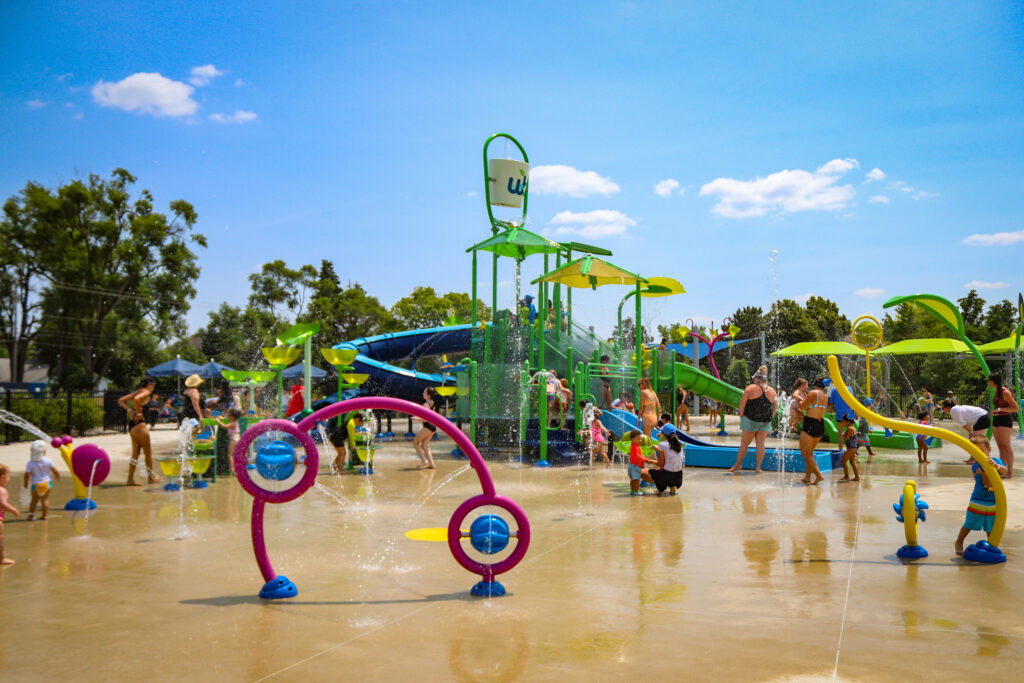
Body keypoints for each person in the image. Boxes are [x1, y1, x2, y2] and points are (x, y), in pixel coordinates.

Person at [955, 435, 1007, 556]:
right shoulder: (976, 465)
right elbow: (987, 482)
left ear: (989, 449)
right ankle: (959, 542)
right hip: (978, 500)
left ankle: (992, 547)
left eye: (981, 450)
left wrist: (997, 466)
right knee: (970, 523)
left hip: (994, 500)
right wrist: (987, 472)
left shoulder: (996, 461)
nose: (978, 454)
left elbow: (1005, 471)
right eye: (975, 451)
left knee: (991, 526)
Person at [119, 376, 160, 486]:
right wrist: (139, 412)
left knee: (135, 454)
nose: (153, 387)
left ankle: (130, 479)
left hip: (133, 426)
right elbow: (137, 400)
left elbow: (121, 400)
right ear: (149, 384)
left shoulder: (137, 392)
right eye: (153, 384)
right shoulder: (146, 392)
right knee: (148, 453)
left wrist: (130, 410)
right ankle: (151, 478)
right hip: (141, 426)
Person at [798, 378, 829, 485]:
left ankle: (819, 475)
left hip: (810, 424)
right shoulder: (825, 396)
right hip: (820, 425)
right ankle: (807, 476)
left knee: (805, 453)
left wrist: (799, 398)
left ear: (815, 384)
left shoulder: (813, 393)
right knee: (810, 452)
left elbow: (802, 406)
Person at [989, 372, 1018, 478]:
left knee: (1006, 446)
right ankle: (1003, 469)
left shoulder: (1005, 392)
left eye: (989, 380)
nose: (988, 382)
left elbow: (1015, 407)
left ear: (994, 381)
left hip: (1005, 420)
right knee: (1001, 447)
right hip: (997, 419)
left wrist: (1000, 409)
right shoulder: (996, 391)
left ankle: (1010, 472)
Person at [23, 440, 60, 521]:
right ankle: (45, 516)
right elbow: (55, 470)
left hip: (35, 485)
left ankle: (31, 515)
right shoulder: (48, 460)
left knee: (34, 500)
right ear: (44, 451)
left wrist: (25, 483)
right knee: (45, 499)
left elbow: (27, 475)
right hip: (46, 484)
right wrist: (57, 476)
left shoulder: (30, 463)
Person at [642, 427, 684, 495]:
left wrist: (651, 461)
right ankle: (672, 486)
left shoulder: (662, 444)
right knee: (664, 469)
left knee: (641, 472)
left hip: (667, 476)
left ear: (663, 434)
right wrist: (658, 449)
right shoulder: (679, 443)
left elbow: (660, 464)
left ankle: (662, 486)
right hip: (678, 477)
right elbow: (670, 453)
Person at [412, 388, 439, 469]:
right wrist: (417, 417)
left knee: (415, 443)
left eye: (424, 392)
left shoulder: (426, 405)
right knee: (424, 445)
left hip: (428, 426)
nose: (423, 393)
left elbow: (427, 418)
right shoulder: (432, 403)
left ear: (428, 395)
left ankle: (424, 461)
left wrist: (416, 419)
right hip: (433, 427)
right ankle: (432, 464)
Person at [626, 429, 657, 496]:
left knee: (633, 479)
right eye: (638, 439)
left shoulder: (634, 446)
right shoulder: (635, 447)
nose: (640, 440)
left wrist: (642, 456)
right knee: (637, 479)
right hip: (636, 466)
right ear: (631, 439)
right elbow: (637, 456)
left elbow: (636, 455)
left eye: (640, 439)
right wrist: (645, 459)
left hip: (631, 465)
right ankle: (636, 491)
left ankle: (633, 490)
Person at [0, 464, 18, 566]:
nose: (9, 479)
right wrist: (14, 510)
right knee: (0, 539)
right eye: (8, 476)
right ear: (2, 477)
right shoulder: (1, 490)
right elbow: (2, 504)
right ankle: (2, 559)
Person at [838, 416, 860, 482]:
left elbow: (847, 438)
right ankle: (857, 477)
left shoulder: (849, 429)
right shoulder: (853, 428)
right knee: (852, 462)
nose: (842, 423)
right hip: (853, 448)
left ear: (848, 422)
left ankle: (846, 476)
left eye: (843, 422)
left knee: (843, 461)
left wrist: (843, 434)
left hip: (850, 448)